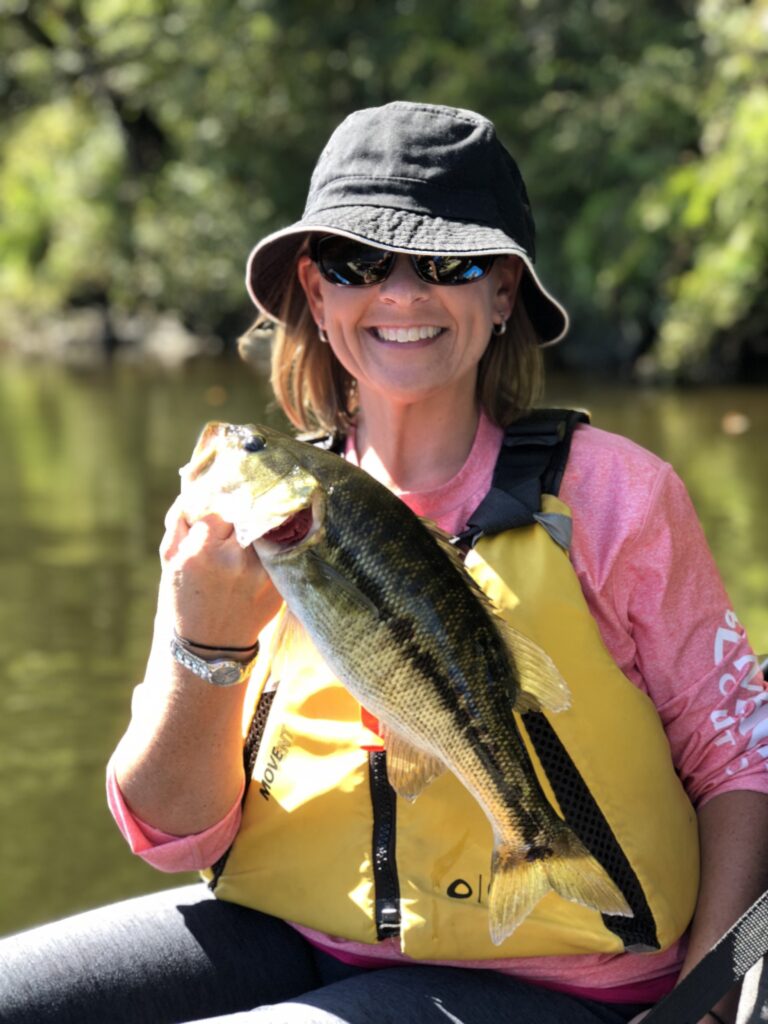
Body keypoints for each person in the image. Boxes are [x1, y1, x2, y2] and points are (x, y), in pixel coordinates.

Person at [0, 101, 766, 1024]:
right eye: (359, 264)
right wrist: (208, 643)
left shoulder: (618, 499)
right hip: (289, 928)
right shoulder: (251, 505)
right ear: (317, 296)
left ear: (503, 294)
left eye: (450, 263)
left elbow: (740, 758)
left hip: (561, 981)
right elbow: (167, 835)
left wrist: (713, 996)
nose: (401, 294)